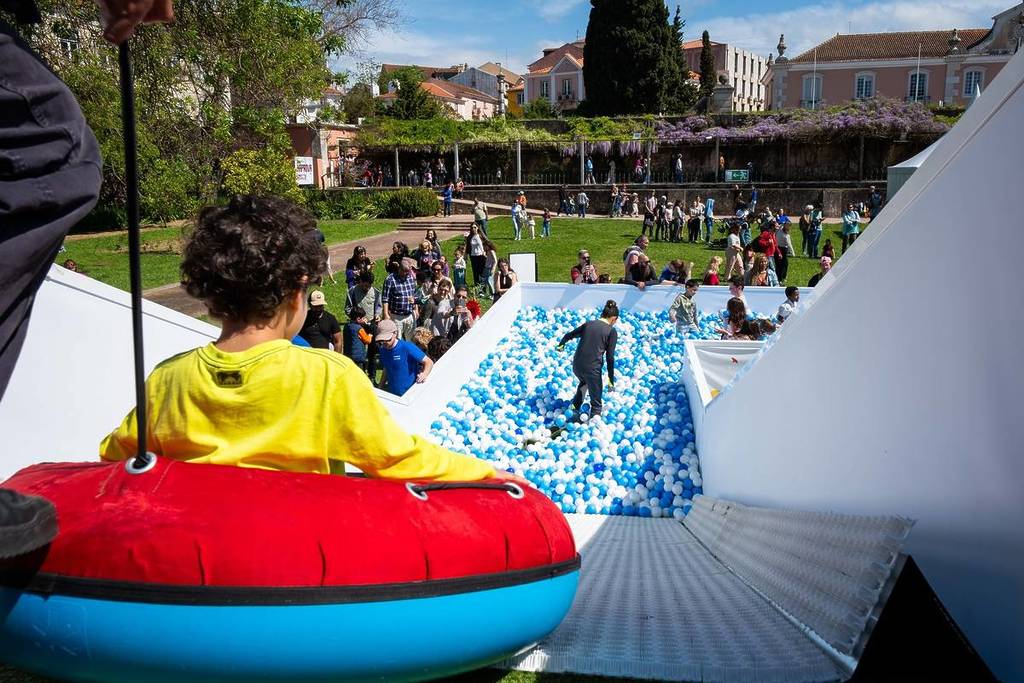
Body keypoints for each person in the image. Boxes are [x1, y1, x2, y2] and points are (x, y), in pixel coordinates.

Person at [100, 196, 502, 484]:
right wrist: (484, 471)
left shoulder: (168, 380)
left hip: (200, 581)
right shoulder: (327, 377)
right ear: (297, 294)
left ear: (210, 298)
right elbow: (397, 457)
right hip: (296, 581)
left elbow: (114, 457)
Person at [557, 300, 619, 419]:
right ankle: (593, 424)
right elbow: (610, 357)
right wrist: (611, 380)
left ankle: (573, 412)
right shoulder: (611, 331)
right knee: (596, 402)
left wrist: (561, 344)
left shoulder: (588, 324)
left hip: (577, 367)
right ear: (613, 319)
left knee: (584, 382)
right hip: (592, 370)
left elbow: (569, 335)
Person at [375, 319, 434, 397]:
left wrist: (424, 374)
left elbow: (429, 362)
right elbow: (386, 368)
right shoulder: (382, 349)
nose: (384, 343)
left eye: (387, 339)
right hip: (393, 394)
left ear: (395, 333)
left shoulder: (407, 347)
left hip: (410, 394)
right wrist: (380, 387)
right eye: (381, 340)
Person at [381, 256, 419, 341]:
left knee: (411, 340)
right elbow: (385, 298)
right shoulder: (390, 279)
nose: (407, 274)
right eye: (405, 271)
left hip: (410, 314)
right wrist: (386, 314)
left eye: (408, 271)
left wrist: (416, 309)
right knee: (397, 340)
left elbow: (414, 294)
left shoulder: (411, 278)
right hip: (396, 316)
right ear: (399, 269)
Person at [342, 306, 373, 374]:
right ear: (358, 319)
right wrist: (370, 333)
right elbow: (367, 340)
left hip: (348, 355)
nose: (365, 319)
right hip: (358, 357)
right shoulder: (359, 329)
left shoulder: (346, 326)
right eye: (363, 318)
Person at [466, 224, 486, 289]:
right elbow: (468, 247)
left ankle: (483, 287)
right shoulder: (470, 237)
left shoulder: (480, 236)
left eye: (475, 227)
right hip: (473, 256)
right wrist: (466, 255)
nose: (473, 228)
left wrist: (484, 252)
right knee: (475, 272)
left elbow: (486, 244)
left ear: (477, 228)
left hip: (481, 256)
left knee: (481, 272)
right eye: (472, 227)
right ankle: (476, 285)